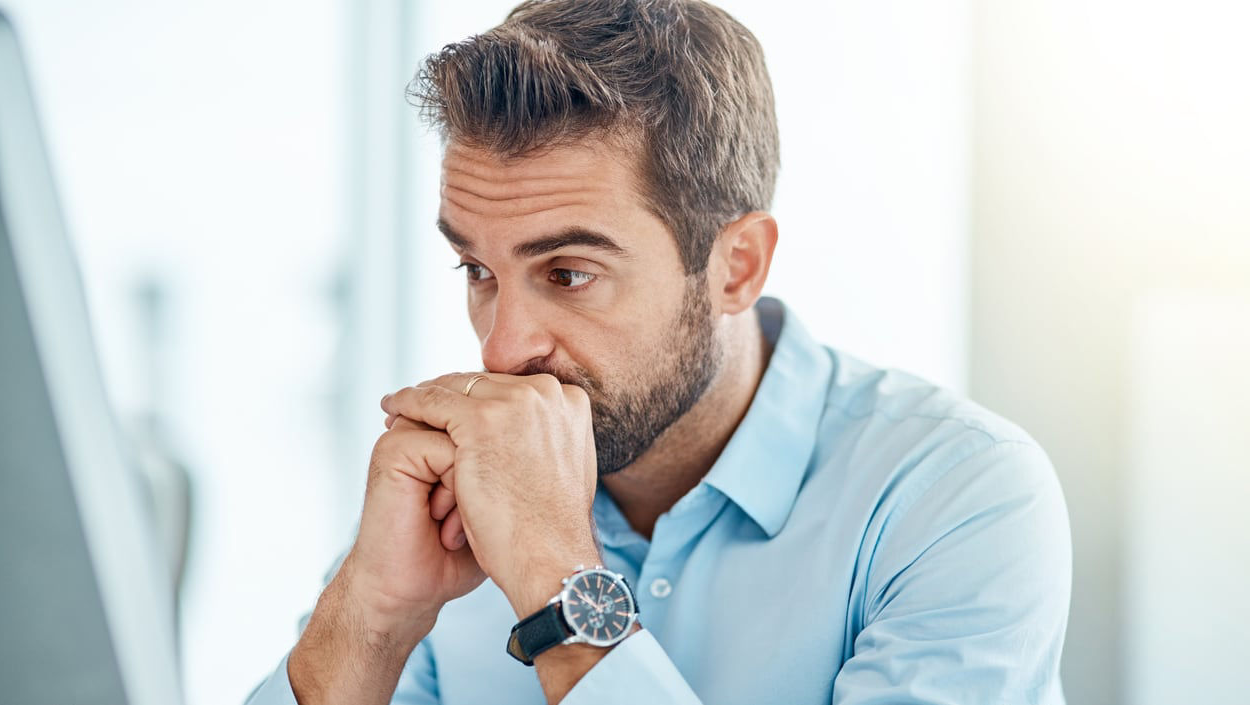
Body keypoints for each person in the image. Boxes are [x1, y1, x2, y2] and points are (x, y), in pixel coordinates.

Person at [246, 0, 1071, 703]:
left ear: (735, 265)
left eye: (568, 273)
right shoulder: (445, 510)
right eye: (477, 269)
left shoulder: (956, 497)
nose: (504, 348)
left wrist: (559, 582)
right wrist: (374, 610)